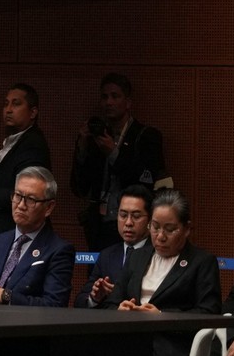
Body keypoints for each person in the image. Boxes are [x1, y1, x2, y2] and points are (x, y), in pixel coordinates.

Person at [115, 189, 220, 356]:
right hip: (130, 340)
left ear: (186, 229)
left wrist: (163, 317)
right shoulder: (137, 257)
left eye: (170, 229)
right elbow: (112, 301)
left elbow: (209, 312)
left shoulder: (201, 262)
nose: (160, 236)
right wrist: (120, 310)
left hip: (172, 346)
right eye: (155, 227)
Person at [70, 73, 170, 251]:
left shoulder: (146, 136)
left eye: (115, 96)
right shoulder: (97, 138)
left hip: (133, 225)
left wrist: (113, 153)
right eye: (104, 97)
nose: (108, 102)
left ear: (128, 102)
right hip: (99, 226)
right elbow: (79, 188)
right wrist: (82, 149)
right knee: (97, 276)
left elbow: (144, 182)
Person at [0, 165, 75, 307]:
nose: (21, 205)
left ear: (49, 207)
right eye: (18, 196)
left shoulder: (58, 250)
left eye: (30, 199)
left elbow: (54, 305)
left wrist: (4, 296)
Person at [0, 83, 51, 235]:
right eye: (6, 104)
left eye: (16, 104)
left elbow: (28, 197)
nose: (8, 110)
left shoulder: (33, 144)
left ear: (33, 112)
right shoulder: (14, 142)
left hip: (15, 237)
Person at [77, 183, 153, 308]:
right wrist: (94, 298)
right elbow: (80, 301)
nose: (128, 223)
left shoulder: (157, 254)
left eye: (136, 216)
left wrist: (117, 295)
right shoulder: (106, 256)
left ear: (150, 220)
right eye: (123, 215)